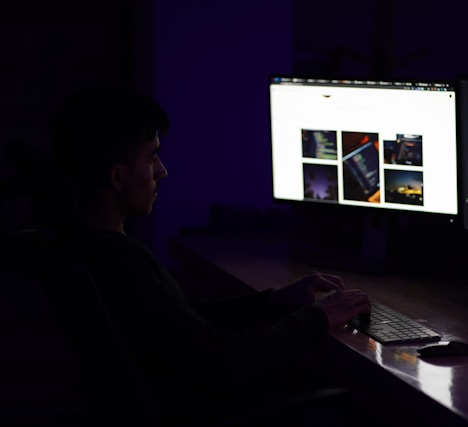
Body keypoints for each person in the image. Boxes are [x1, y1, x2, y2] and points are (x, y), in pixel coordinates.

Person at [48, 85, 372, 424]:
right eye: (150, 156)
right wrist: (317, 317)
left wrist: (273, 302)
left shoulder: (84, 246)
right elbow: (224, 360)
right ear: (118, 176)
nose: (162, 171)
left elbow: (180, 321)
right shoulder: (122, 262)